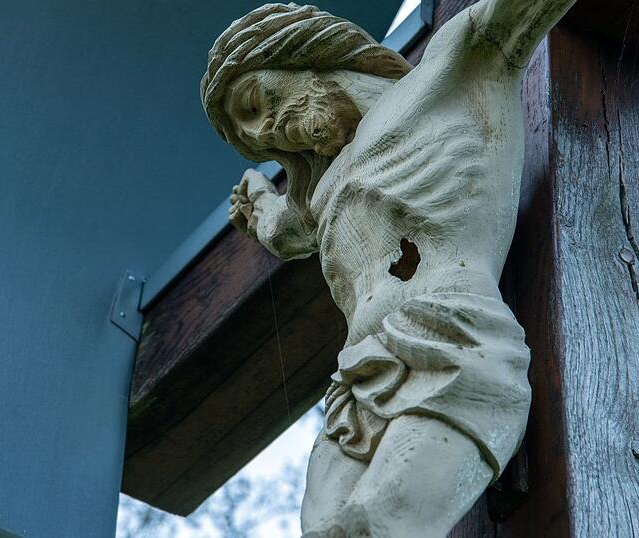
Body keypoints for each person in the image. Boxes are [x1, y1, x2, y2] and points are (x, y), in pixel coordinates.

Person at [201, 1, 575, 536]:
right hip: (356, 385)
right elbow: (286, 231)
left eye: (256, 102)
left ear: (303, 53)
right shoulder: (324, 192)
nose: (265, 134)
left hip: (451, 342)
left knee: (374, 526)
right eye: (251, 139)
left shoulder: (454, 69)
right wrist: (259, 199)